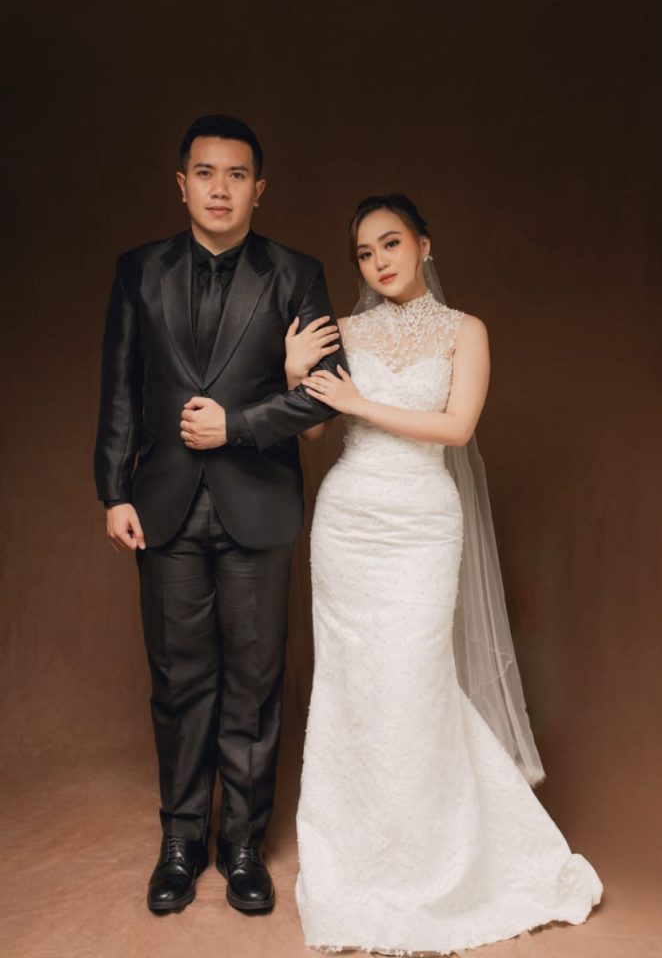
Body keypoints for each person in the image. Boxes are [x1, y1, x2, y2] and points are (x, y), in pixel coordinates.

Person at [288, 194, 602, 953]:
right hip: (348, 523)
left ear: (425, 245)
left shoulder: (466, 331)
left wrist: (361, 401)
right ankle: (359, 856)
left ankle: (437, 860)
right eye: (364, 253)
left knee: (415, 680)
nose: (378, 262)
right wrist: (296, 373)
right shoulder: (344, 331)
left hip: (423, 523)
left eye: (391, 243)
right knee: (353, 686)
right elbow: (317, 431)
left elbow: (457, 428)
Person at [94, 115, 345, 915]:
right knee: (178, 681)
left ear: (258, 189)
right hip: (161, 506)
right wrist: (113, 490)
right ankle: (179, 843)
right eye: (205, 173)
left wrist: (235, 426)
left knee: (255, 684)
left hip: (259, 504)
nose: (220, 188)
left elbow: (325, 393)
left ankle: (241, 846)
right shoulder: (138, 271)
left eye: (237, 175)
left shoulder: (296, 274)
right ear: (182, 184)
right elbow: (120, 387)